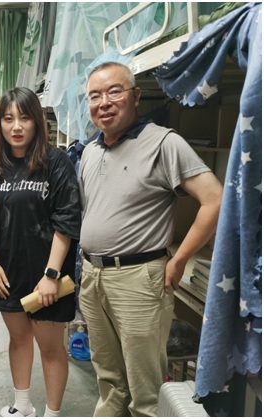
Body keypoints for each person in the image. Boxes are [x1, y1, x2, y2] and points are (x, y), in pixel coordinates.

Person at [78, 62, 223, 416]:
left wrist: (179, 259)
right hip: (93, 276)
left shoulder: (163, 142)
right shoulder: (90, 151)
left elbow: (215, 200)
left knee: (145, 392)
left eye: (114, 92)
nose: (104, 102)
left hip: (138, 280)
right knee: (108, 380)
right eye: (95, 96)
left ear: (136, 96)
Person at [0, 87, 82, 418]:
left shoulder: (55, 162)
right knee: (18, 340)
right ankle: (22, 405)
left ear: (37, 121)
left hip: (47, 276)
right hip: (7, 272)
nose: (16, 126)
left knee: (51, 348)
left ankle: (52, 414)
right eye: (8, 118)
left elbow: (66, 220)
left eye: (25, 118)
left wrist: (51, 274)